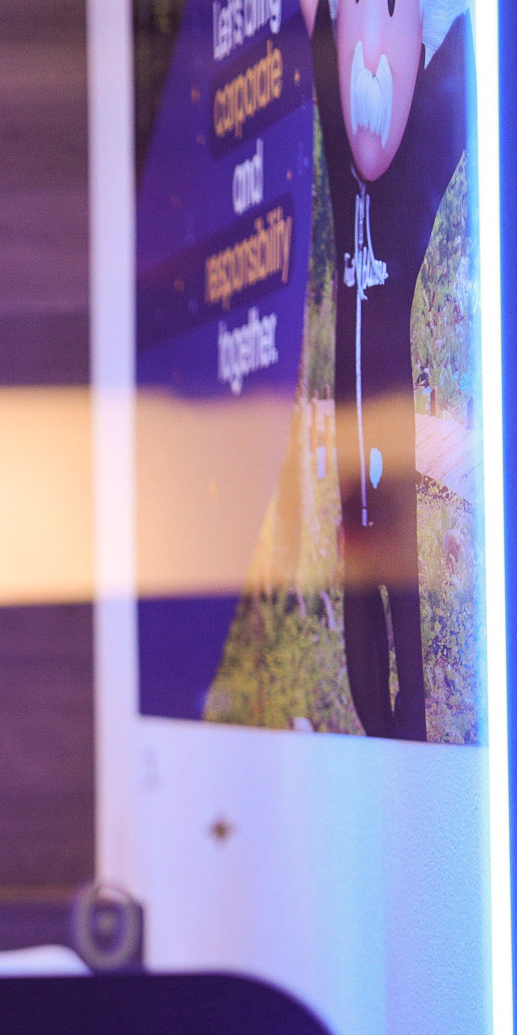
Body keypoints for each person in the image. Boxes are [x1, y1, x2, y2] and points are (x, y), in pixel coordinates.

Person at [305, 0, 470, 740]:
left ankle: (407, 732)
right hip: (362, 391)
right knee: (364, 552)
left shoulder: (424, 123)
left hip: (382, 392)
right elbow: (366, 141)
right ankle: (388, 733)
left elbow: (386, 142)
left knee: (387, 551)